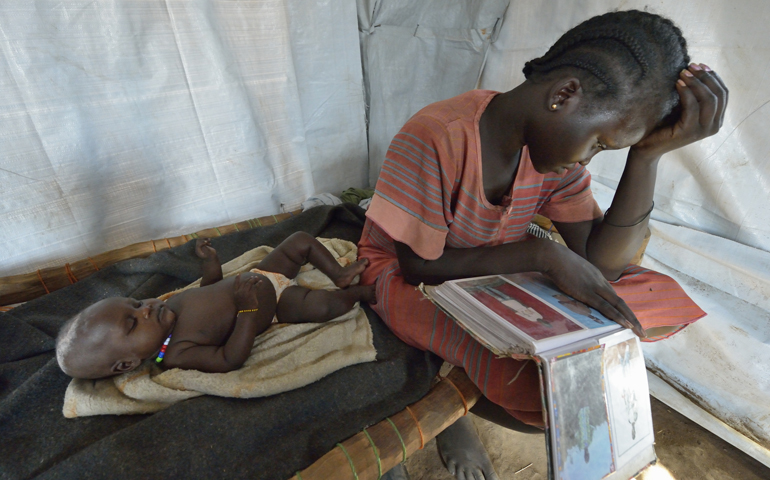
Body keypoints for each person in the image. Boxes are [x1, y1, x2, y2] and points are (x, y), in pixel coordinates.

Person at [358, 9, 727, 480]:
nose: (590, 157)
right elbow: (417, 267)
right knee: (541, 392)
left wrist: (648, 155)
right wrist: (542, 254)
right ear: (564, 95)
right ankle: (437, 412)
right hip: (401, 274)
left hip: (485, 275)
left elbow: (604, 264)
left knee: (626, 305)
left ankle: (447, 398)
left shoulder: (555, 162)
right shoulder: (437, 134)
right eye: (599, 143)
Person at [56, 232, 376, 380]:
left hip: (262, 274)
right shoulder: (175, 353)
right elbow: (229, 358)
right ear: (126, 364)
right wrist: (248, 311)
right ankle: (359, 294)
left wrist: (210, 264)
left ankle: (340, 273)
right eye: (133, 323)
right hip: (276, 306)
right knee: (323, 307)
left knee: (299, 240)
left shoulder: (170, 308)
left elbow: (208, 291)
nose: (145, 308)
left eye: (137, 302)